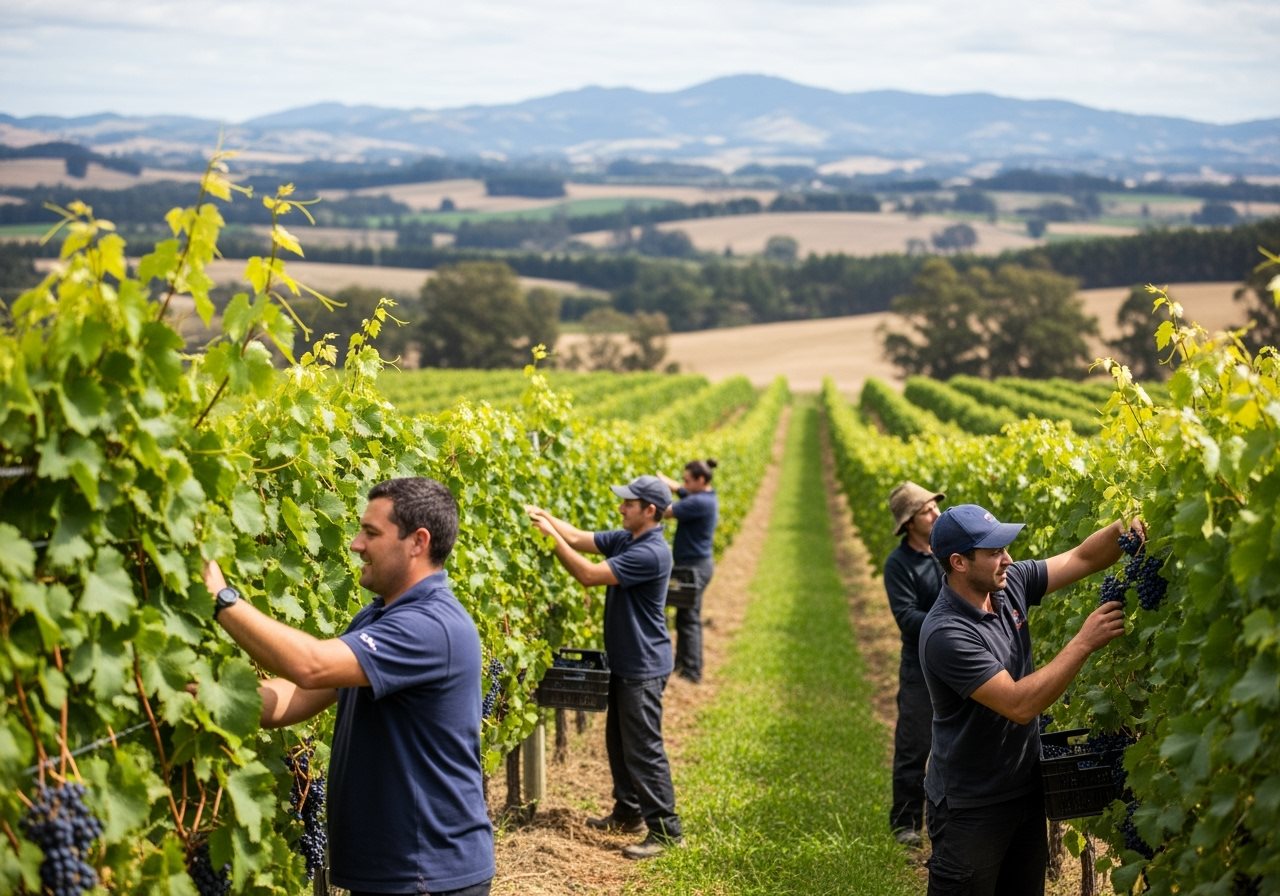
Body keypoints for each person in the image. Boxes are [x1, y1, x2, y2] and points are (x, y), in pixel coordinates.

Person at [203, 477, 495, 896]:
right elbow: (295, 698)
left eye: (371, 533)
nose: (356, 543)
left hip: (427, 873)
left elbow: (311, 667)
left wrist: (222, 597)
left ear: (418, 541)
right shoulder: (378, 619)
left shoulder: (432, 626)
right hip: (398, 874)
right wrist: (212, 694)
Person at [919, 503, 1133, 896]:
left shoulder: (1009, 583)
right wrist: (1083, 642)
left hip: (1024, 790)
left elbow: (1083, 556)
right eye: (995, 552)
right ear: (959, 563)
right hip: (971, 808)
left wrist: (1130, 523)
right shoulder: (946, 634)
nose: (1008, 559)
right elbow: (1019, 704)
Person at [525, 475, 683, 859]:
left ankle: (666, 831)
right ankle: (628, 813)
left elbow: (588, 574)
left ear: (649, 510)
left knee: (643, 747)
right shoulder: (628, 538)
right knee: (618, 742)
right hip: (628, 661)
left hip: (643, 665)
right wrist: (545, 516)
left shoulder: (652, 552)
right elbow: (580, 538)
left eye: (628, 503)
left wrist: (550, 537)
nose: (621, 507)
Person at [883, 480, 946, 848]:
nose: (936, 513)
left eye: (934, 507)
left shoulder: (948, 551)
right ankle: (905, 824)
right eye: (927, 510)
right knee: (914, 744)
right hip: (919, 667)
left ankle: (949, 821)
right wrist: (952, 621)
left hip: (957, 662)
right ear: (909, 522)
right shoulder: (898, 564)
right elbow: (906, 616)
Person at [657, 458, 719, 684]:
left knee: (690, 616)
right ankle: (683, 666)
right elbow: (682, 491)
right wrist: (667, 482)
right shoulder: (705, 496)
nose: (683, 484)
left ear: (701, 480)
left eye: (687, 480)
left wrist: (648, 495)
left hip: (694, 568)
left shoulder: (699, 503)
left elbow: (665, 511)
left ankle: (692, 671)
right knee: (685, 614)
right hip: (695, 565)